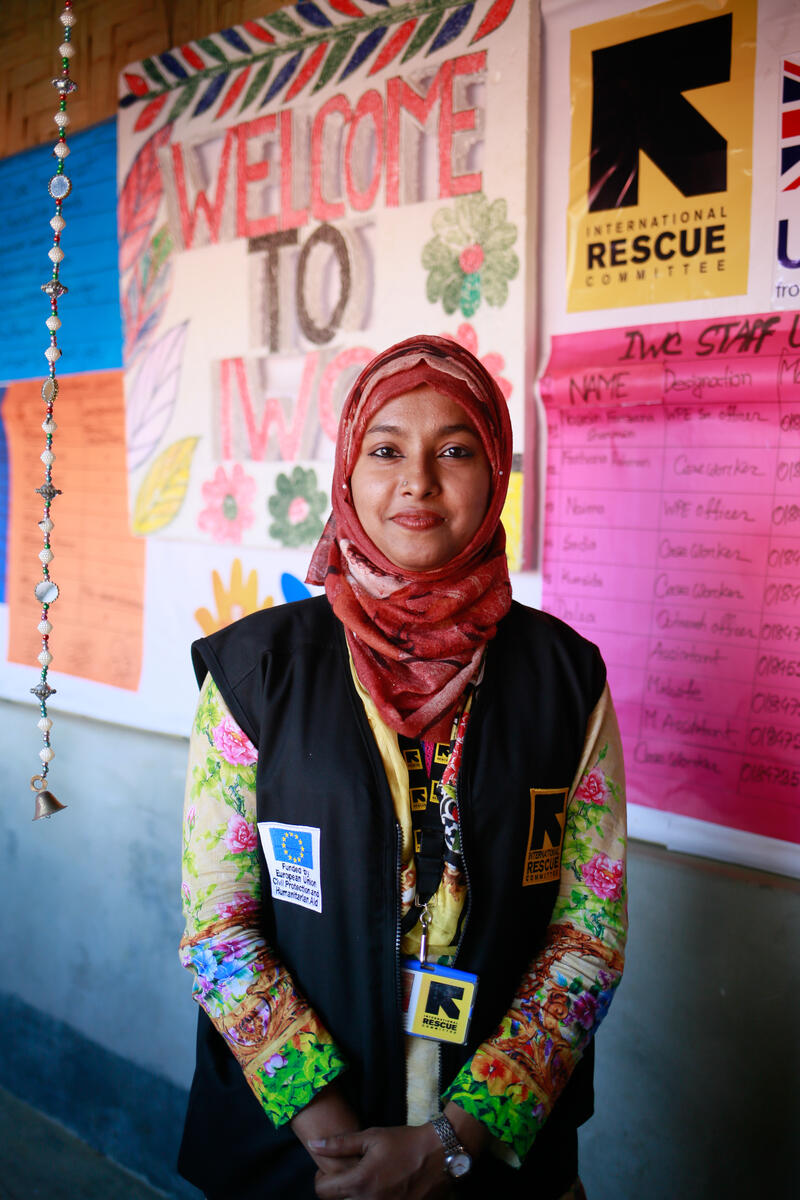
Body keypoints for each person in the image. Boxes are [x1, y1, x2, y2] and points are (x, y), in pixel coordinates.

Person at [177, 335, 627, 1200]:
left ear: (496, 473)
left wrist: (451, 1144)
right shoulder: (255, 674)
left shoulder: (568, 678)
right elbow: (219, 930)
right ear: (347, 473)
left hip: (498, 1164)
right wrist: (336, 1143)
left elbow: (589, 937)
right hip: (295, 1162)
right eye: (386, 450)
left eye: (454, 449)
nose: (417, 480)